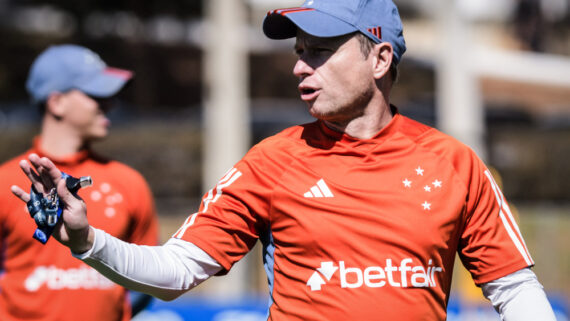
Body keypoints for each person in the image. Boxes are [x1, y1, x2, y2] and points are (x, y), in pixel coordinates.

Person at [10, 1, 557, 320]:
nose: (300, 67)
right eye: (299, 52)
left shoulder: (453, 163)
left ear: (380, 57)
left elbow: (514, 290)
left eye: (320, 50)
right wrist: (86, 240)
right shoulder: (270, 162)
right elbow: (177, 271)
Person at [0, 44, 159, 321]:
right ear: (56, 102)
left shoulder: (129, 183)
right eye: (96, 94)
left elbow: (149, 276)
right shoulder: (6, 182)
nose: (110, 103)